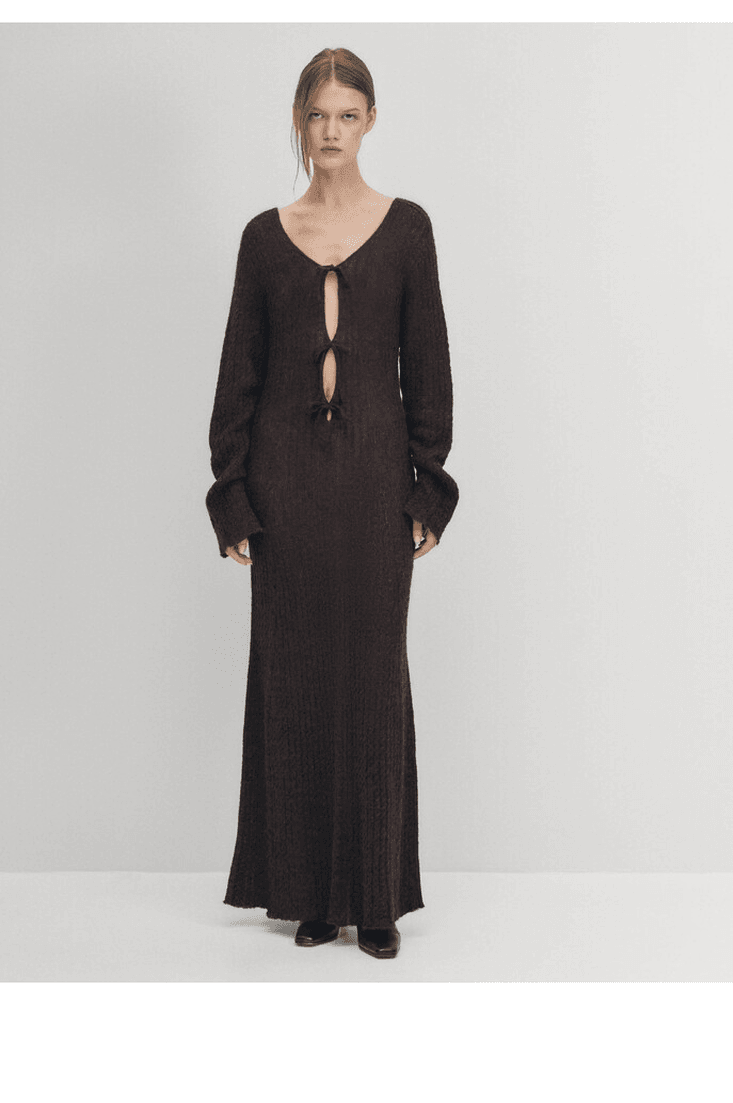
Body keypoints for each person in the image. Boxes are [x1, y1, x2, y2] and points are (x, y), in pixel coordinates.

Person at [205, 47, 458, 960]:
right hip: (285, 488)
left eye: (347, 115)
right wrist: (232, 496)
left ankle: (375, 897)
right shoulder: (263, 237)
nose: (331, 132)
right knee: (293, 682)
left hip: (376, 487)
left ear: (370, 121)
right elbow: (238, 375)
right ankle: (310, 894)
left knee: (373, 684)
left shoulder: (408, 228)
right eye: (317, 116)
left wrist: (427, 487)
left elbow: (428, 367)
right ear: (299, 122)